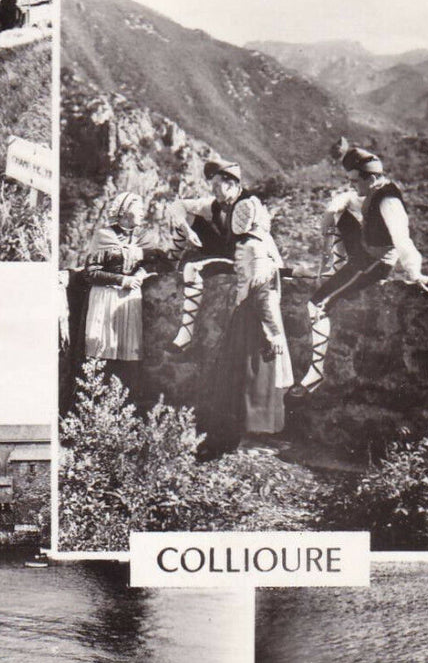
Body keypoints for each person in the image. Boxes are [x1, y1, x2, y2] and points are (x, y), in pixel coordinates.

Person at [291, 146, 428, 397]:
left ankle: (315, 375)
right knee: (342, 214)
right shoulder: (373, 191)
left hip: (374, 265)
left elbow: (402, 239)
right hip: (363, 255)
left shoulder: (389, 200)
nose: (353, 186)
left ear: (372, 178)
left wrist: (414, 272)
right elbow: (350, 200)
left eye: (355, 181)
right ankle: (333, 270)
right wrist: (332, 209)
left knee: (317, 304)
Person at [197, 196, 292, 458]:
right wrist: (272, 331)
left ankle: (251, 437)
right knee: (256, 376)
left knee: (248, 376)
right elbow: (261, 291)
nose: (267, 218)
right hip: (257, 318)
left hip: (247, 315)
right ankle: (249, 440)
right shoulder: (255, 247)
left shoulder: (248, 245)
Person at [164, 160, 258, 351]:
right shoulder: (217, 205)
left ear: (231, 185)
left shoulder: (249, 205)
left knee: (192, 268)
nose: (213, 190)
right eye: (212, 185)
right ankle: (169, 265)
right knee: (188, 218)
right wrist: (188, 231)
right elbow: (176, 206)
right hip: (227, 250)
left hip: (244, 259)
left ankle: (185, 335)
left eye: (217, 185)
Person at [81, 192, 148, 391]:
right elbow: (90, 272)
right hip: (106, 298)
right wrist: (122, 280)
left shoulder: (140, 238)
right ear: (126, 213)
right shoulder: (104, 236)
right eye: (139, 209)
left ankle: (125, 407)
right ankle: (97, 402)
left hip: (130, 300)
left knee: (128, 358)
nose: (143, 212)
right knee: (103, 354)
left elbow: (154, 262)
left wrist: (141, 275)